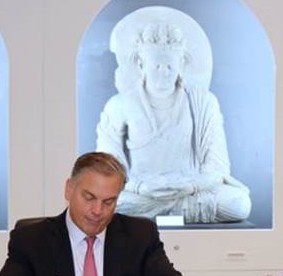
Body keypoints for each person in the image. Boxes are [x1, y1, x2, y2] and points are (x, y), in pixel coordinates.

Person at [0, 152, 185, 276]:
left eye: (108, 201)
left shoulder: (139, 233)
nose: (97, 211)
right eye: (89, 198)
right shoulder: (33, 238)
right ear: (69, 189)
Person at [96, 20, 251, 223]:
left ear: (182, 65)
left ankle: (156, 213)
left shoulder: (203, 102)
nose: (163, 72)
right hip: (141, 191)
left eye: (170, 66)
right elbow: (105, 167)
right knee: (114, 202)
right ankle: (178, 212)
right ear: (141, 65)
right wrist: (140, 187)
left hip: (190, 189)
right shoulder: (119, 104)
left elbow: (218, 168)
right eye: (156, 66)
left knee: (239, 203)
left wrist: (191, 186)